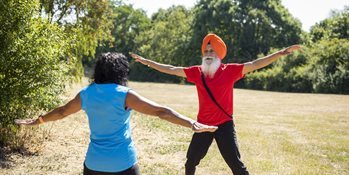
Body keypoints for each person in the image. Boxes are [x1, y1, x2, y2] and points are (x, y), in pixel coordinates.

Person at [15, 52, 218, 175]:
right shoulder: (125, 95)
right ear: (121, 72)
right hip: (123, 165)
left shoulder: (86, 94)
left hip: (94, 164)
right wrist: (192, 123)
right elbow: (161, 112)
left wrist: (38, 120)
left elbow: (61, 112)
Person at [130, 33, 301, 175]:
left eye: (212, 51)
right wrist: (148, 62)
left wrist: (280, 53)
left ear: (219, 54)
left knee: (236, 166)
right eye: (206, 51)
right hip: (203, 125)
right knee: (191, 162)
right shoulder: (197, 72)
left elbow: (255, 64)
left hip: (224, 125)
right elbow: (171, 69)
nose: (208, 53)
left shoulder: (230, 71)